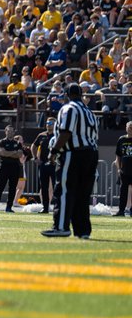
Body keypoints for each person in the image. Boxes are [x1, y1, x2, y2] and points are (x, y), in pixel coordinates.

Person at [43, 83, 99, 239]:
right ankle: (83, 231)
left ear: (67, 95)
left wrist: (53, 151)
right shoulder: (89, 112)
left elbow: (65, 132)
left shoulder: (69, 109)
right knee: (82, 194)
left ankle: (60, 227)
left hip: (73, 153)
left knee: (64, 190)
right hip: (91, 153)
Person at [0, 125, 25, 213]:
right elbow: (2, 153)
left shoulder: (18, 143)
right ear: (5, 131)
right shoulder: (1, 142)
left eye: (11, 131)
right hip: (4, 167)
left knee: (12, 188)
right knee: (0, 187)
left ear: (14, 132)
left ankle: (9, 208)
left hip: (15, 167)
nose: (10, 133)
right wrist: (14, 152)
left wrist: (8, 153)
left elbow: (20, 154)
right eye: (8, 131)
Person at [114, 122, 132, 217]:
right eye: (129, 127)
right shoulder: (121, 139)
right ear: (126, 128)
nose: (130, 129)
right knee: (123, 192)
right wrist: (118, 168)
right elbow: (118, 156)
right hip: (124, 170)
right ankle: (121, 211)